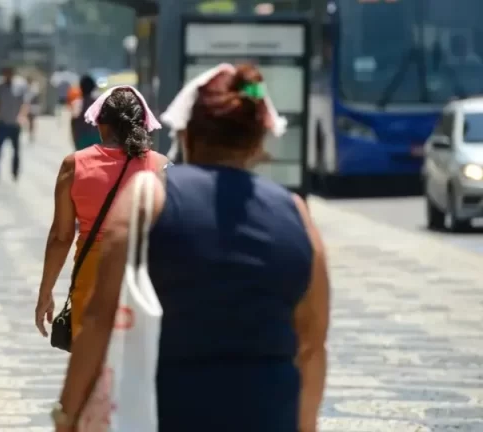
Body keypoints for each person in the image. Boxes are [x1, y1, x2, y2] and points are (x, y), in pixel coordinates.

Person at [52, 64, 329, 431]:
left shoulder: (147, 200)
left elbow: (101, 321)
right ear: (259, 140)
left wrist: (67, 415)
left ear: (187, 133)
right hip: (267, 413)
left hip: (170, 411)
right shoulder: (297, 214)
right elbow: (312, 344)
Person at [34, 86, 168, 341]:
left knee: (91, 363)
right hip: (144, 277)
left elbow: (61, 237)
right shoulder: (161, 166)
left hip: (92, 277)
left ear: (101, 124)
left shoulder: (74, 165)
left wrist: (45, 292)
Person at [0, 66, 29, 182]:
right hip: (2, 122)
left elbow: (24, 103)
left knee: (16, 150)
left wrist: (22, 116)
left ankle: (15, 171)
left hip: (15, 123)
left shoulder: (20, 85)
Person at [70, 75, 102, 151]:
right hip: (97, 139)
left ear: (80, 88)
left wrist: (75, 141)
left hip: (82, 140)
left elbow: (74, 121)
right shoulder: (99, 103)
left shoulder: (77, 103)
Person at [25, 75, 42, 143]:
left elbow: (35, 96)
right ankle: (30, 132)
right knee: (29, 120)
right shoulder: (25, 87)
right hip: (28, 105)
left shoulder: (34, 87)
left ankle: (31, 133)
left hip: (33, 106)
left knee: (32, 121)